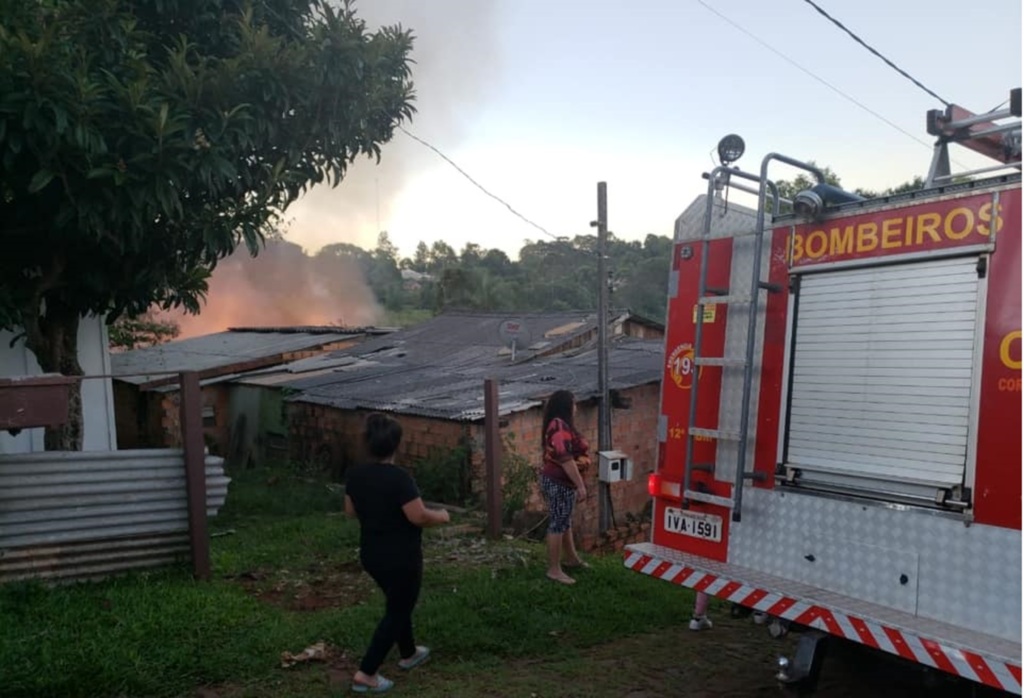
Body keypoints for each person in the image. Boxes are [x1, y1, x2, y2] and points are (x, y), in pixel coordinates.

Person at [344, 412, 450, 694]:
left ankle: (409, 652)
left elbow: (350, 510)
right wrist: (441, 516)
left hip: (371, 555)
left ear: (368, 444)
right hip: (402, 558)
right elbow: (418, 516)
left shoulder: (355, 475)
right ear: (396, 444)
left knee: (398, 603)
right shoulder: (400, 479)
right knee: (397, 610)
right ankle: (366, 673)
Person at [539, 389, 590, 585]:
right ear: (566, 406)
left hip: (561, 482)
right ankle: (554, 569)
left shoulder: (560, 424)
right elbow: (566, 459)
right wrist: (580, 485)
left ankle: (571, 558)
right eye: (573, 404)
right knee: (558, 523)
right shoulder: (559, 426)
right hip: (558, 482)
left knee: (564, 520)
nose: (576, 408)